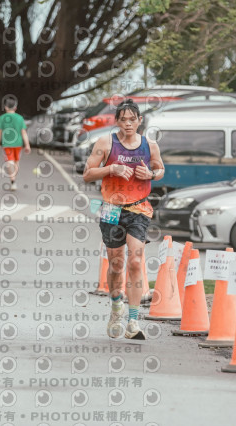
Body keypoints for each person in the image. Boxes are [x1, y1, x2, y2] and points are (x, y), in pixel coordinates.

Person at [83, 99, 165, 340]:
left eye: (132, 119)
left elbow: (160, 169)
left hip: (138, 208)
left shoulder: (150, 145)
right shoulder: (105, 143)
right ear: (117, 121)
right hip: (111, 208)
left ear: (140, 121)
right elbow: (87, 173)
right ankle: (116, 306)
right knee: (116, 264)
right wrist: (111, 169)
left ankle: (133, 321)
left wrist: (151, 174)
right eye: (123, 120)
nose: (128, 124)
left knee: (136, 261)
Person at [0, 98, 31, 191]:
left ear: (6, 107)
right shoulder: (20, 118)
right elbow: (24, 132)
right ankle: (13, 179)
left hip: (7, 144)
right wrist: (27, 145)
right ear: (15, 107)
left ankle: (13, 180)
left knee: (9, 162)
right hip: (18, 144)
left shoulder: (2, 118)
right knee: (16, 162)